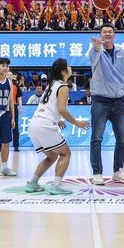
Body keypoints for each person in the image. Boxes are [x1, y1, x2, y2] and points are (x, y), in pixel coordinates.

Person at [25, 59, 89, 195]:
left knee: (52, 156)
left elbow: (49, 105)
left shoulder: (51, 84)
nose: (71, 67)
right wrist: (77, 123)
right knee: (66, 154)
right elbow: (62, 109)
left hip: (34, 123)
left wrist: (57, 119)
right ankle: (57, 186)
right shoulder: (63, 86)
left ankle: (32, 183)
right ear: (64, 71)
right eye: (68, 66)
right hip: (44, 124)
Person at [88, 24, 124, 185]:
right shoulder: (95, 51)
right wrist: (96, 48)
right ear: (100, 35)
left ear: (114, 35)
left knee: (122, 137)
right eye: (104, 32)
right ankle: (97, 173)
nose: (107, 34)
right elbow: (93, 58)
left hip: (119, 101)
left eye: (110, 32)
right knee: (97, 138)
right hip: (100, 101)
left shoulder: (123, 53)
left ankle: (118, 171)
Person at [10, 72, 23, 151]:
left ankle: (16, 145)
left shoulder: (15, 86)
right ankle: (1, 145)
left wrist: (20, 106)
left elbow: (19, 97)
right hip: (5, 107)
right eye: (8, 75)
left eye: (10, 75)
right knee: (3, 127)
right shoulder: (2, 85)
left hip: (14, 107)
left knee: (15, 126)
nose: (10, 76)